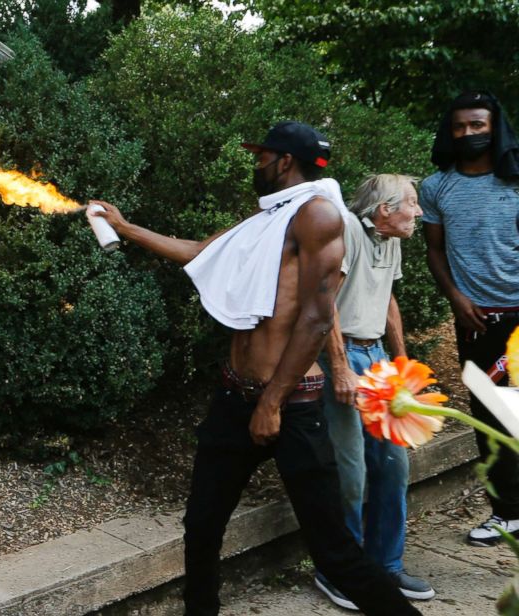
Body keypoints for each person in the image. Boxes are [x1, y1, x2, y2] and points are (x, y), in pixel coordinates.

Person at [91, 121, 421, 616]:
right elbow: (202, 252)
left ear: (284, 160)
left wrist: (271, 403)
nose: (256, 165)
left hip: (291, 405)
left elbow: (316, 317)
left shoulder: (319, 217)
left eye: (261, 157)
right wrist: (125, 228)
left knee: (335, 551)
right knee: (202, 526)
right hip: (233, 396)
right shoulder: (270, 218)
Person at [314, 174, 434, 609]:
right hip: (340, 356)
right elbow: (324, 298)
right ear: (384, 210)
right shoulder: (346, 228)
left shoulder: (392, 238)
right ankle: (338, 571)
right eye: (412, 204)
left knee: (393, 464)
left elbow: (387, 299)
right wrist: (342, 366)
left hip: (377, 356)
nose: (418, 212)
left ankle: (385, 567)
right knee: (351, 472)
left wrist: (402, 364)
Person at [421, 91, 519, 547]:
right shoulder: (436, 187)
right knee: (491, 414)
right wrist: (456, 298)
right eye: (460, 127)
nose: (469, 134)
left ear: (494, 127)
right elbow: (435, 250)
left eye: (478, 125)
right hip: (475, 321)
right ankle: (507, 514)